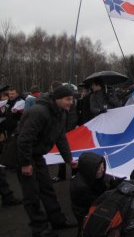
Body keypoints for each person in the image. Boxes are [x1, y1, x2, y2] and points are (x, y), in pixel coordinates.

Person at [17, 85, 78, 237]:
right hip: (24, 155)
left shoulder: (61, 112)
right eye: (68, 99)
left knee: (46, 188)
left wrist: (69, 159)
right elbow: (24, 140)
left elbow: (61, 138)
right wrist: (25, 164)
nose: (71, 102)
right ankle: (39, 228)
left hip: (37, 155)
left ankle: (57, 220)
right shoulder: (39, 112)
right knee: (31, 193)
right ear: (58, 99)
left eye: (72, 99)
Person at [70, 152, 122, 233]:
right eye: (99, 168)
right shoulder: (81, 188)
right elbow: (99, 203)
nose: (103, 170)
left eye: (103, 166)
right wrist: (112, 189)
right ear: (90, 169)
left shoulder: (89, 177)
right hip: (87, 215)